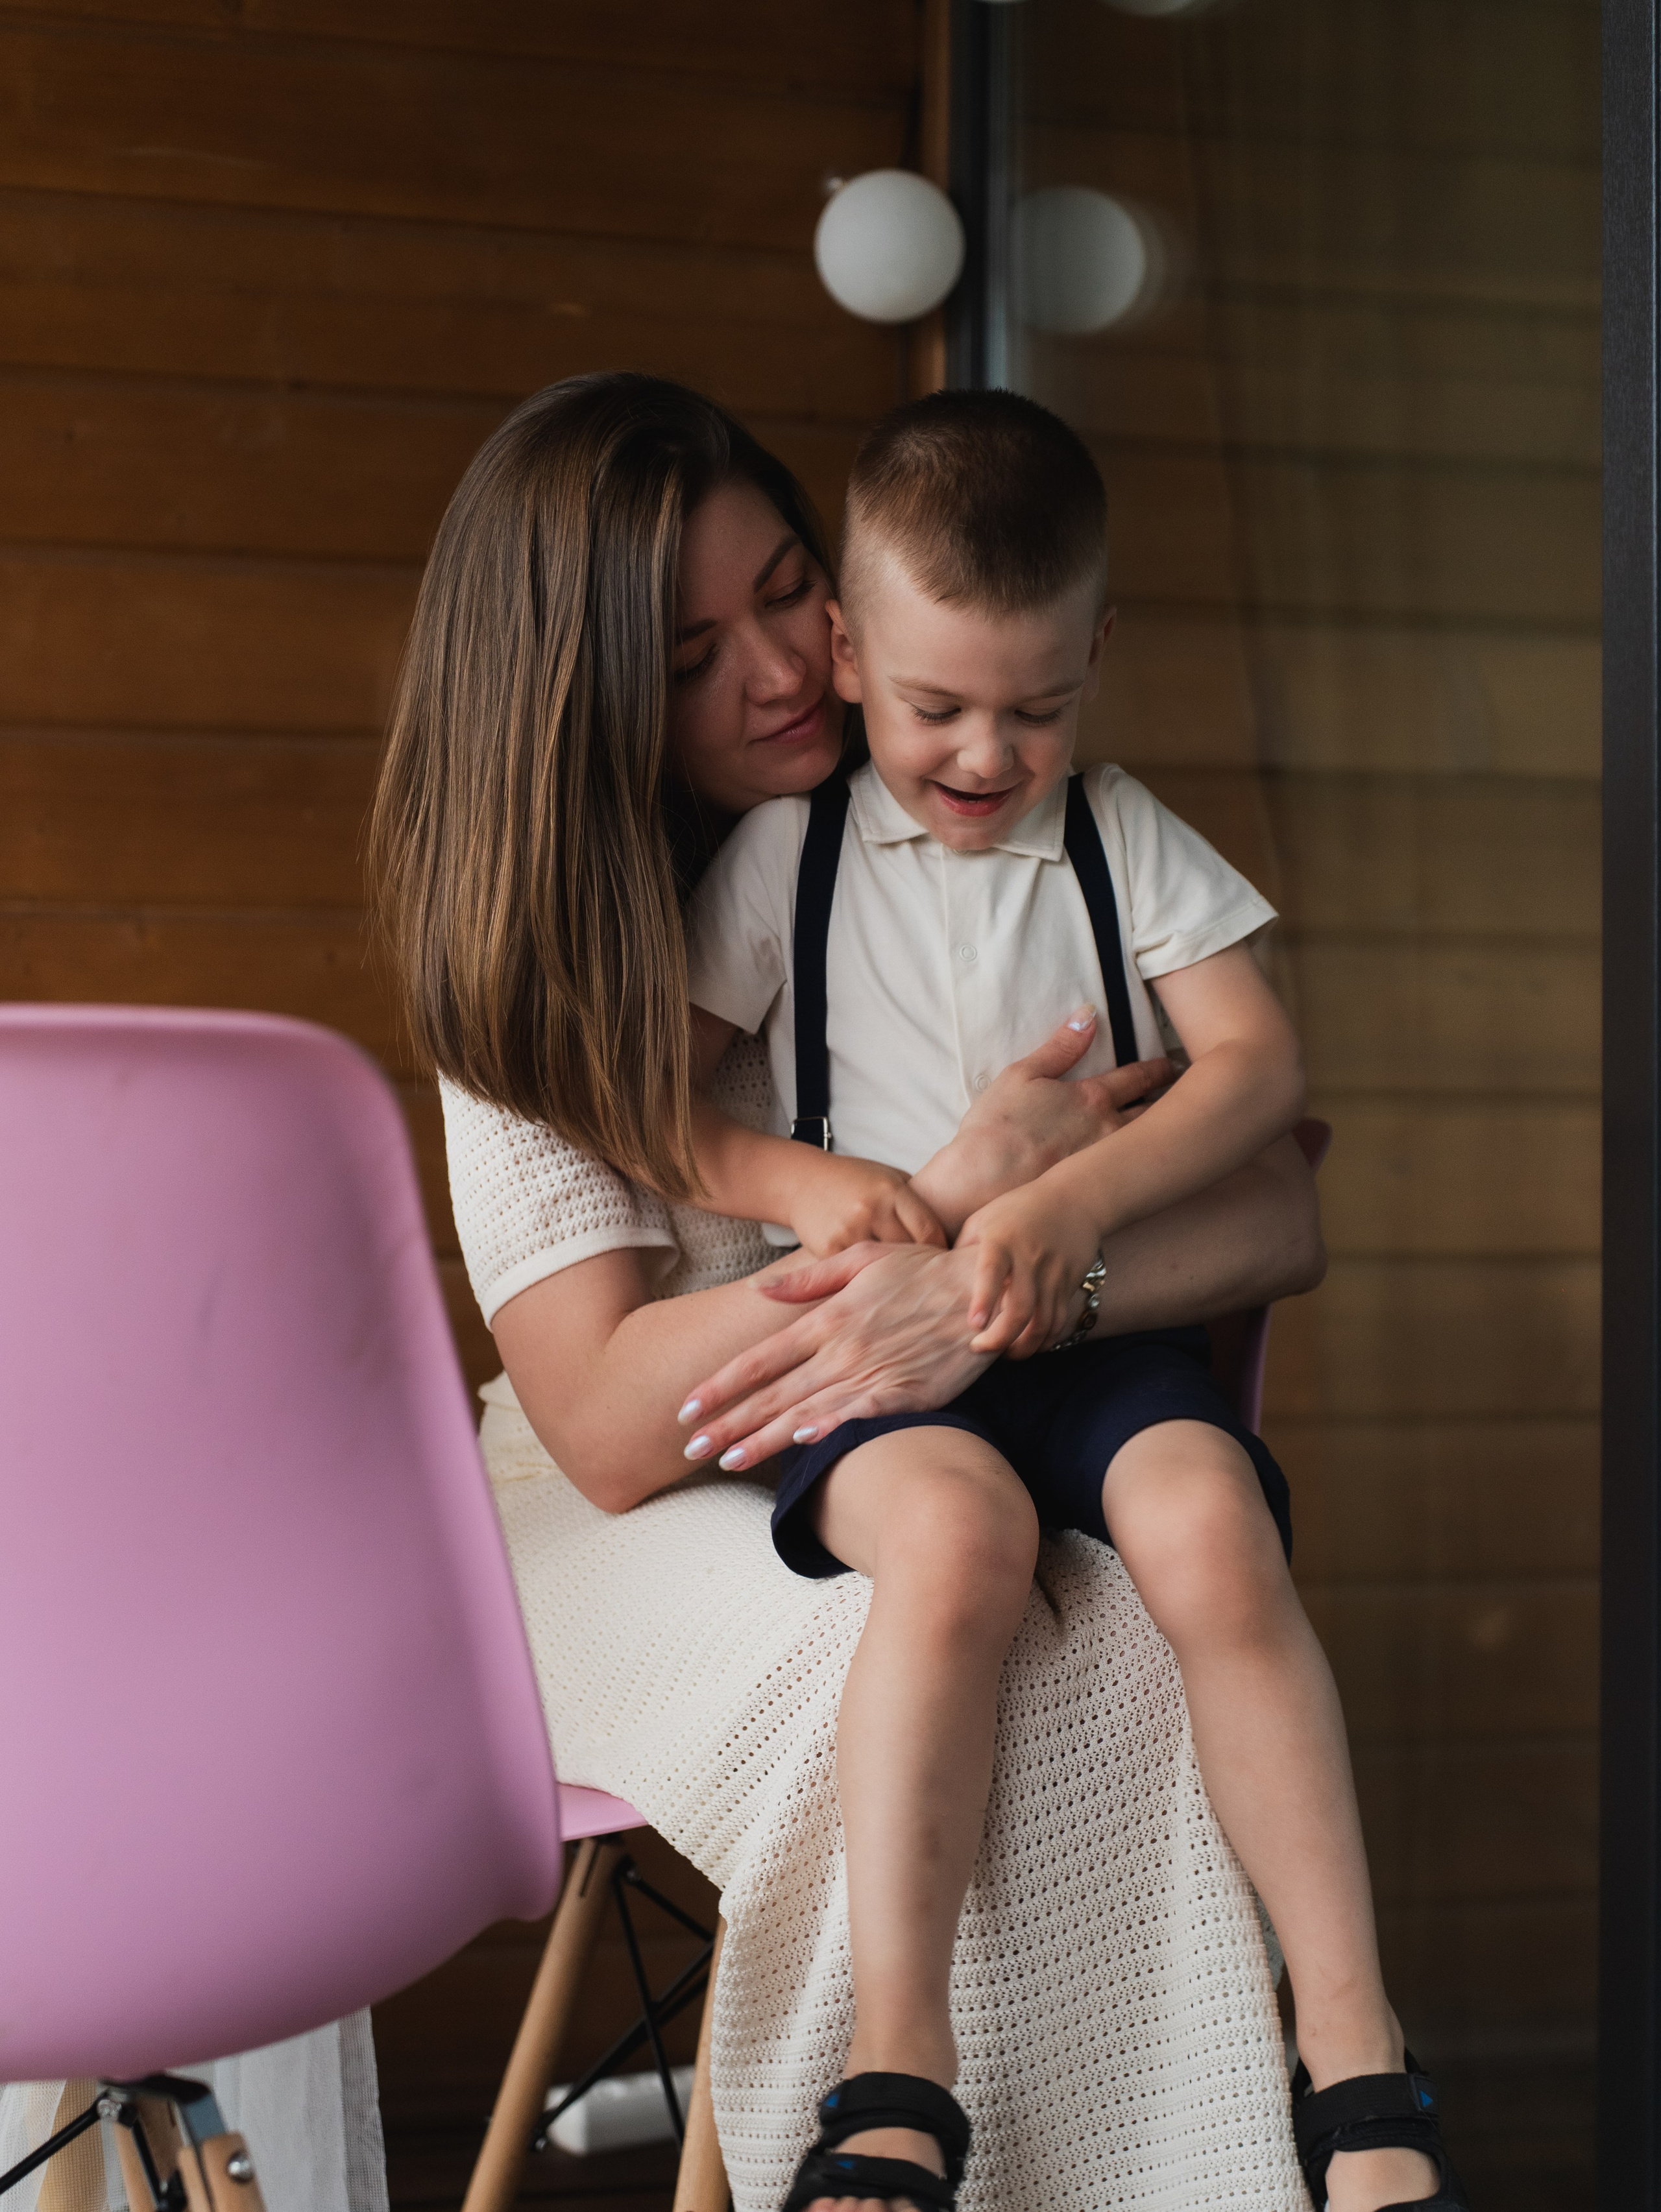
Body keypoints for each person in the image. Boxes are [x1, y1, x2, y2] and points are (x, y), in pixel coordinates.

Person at [369, 372, 1329, 2212]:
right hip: (615, 1512)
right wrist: (951, 1211)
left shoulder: (976, 857)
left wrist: (993, 1289)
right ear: (581, 702)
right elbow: (608, 1419)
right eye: (688, 655)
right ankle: (891, 2136)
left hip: (916, 1434)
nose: (791, 664)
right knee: (893, 1624)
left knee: (1100, 1606)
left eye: (791, 583)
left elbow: (1270, 1213)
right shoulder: (531, 986)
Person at [680, 391, 1462, 2212]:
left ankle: (1355, 2065)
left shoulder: (1125, 838)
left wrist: (1074, 1203)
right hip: (891, 1371)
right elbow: (662, 1097)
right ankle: (899, 2062)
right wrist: (802, 1183)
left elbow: (1259, 1069)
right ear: (853, 655)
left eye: (1036, 706)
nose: (985, 750)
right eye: (941, 705)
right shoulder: (780, 866)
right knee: (950, 1550)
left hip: (1095, 1340)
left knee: (1210, 1526)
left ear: (1097, 652)